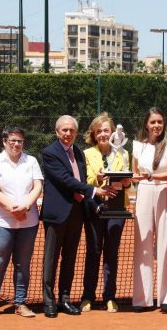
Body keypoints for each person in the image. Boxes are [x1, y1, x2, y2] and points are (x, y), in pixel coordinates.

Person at [40, 115, 116, 318]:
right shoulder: (50, 153)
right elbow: (65, 180)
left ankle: (65, 299)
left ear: (76, 133)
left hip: (77, 213)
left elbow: (80, 179)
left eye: (72, 130)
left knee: (70, 259)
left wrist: (93, 203)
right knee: (51, 259)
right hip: (57, 214)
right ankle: (49, 301)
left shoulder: (79, 154)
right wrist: (94, 191)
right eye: (64, 130)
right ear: (57, 132)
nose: (68, 134)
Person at [0, 126, 43, 319]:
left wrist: (25, 206)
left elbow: (38, 186)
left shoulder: (31, 161)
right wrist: (13, 209)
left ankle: (20, 303)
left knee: (23, 264)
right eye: (13, 141)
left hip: (28, 221)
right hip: (1, 222)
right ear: (4, 142)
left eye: (20, 141)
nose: (16, 144)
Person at [79, 113, 131, 313]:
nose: (102, 134)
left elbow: (128, 181)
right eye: (99, 131)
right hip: (94, 209)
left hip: (117, 210)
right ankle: (87, 296)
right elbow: (84, 181)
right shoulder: (85, 154)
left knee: (111, 253)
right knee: (93, 252)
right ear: (93, 133)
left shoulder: (123, 154)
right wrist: (99, 180)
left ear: (112, 133)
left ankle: (110, 296)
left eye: (106, 130)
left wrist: (126, 183)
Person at [132, 107, 167, 313]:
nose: (156, 126)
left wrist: (150, 176)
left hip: (166, 193)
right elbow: (134, 174)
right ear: (146, 124)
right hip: (143, 193)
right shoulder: (137, 146)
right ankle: (142, 299)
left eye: (160, 122)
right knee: (143, 245)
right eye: (152, 122)